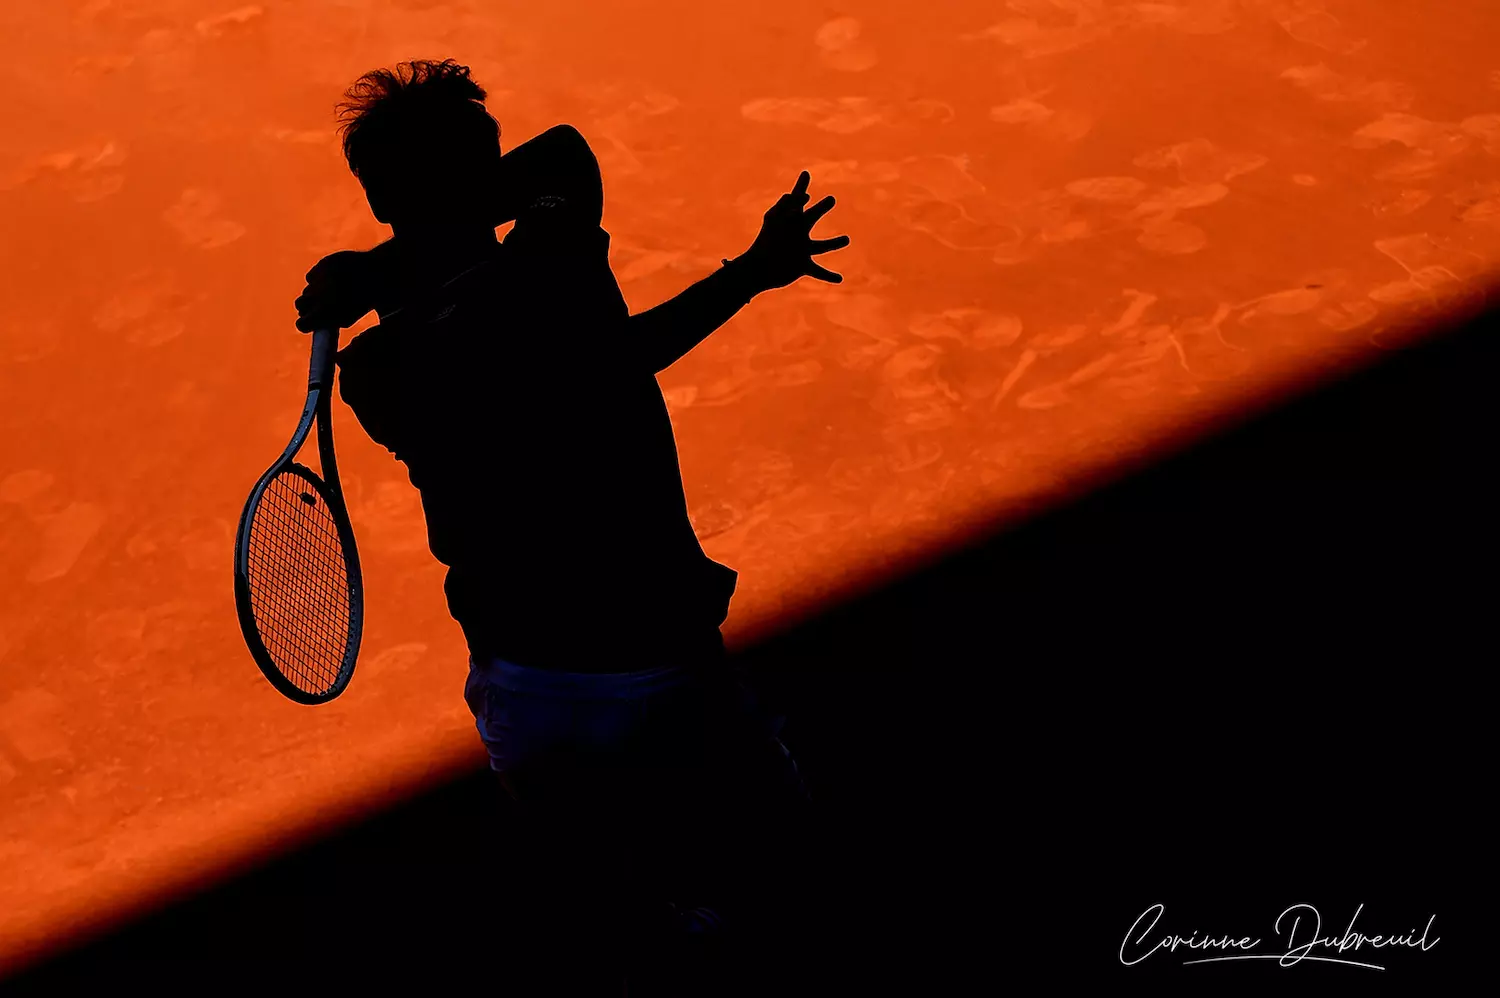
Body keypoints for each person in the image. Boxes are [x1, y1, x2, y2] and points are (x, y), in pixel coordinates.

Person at [292, 58, 848, 980]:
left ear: (378, 200)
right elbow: (564, 167)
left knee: (610, 911)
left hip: (533, 692)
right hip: (668, 664)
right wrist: (750, 273)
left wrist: (381, 270)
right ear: (486, 172)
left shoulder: (376, 374)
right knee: (788, 871)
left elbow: (557, 338)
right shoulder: (555, 264)